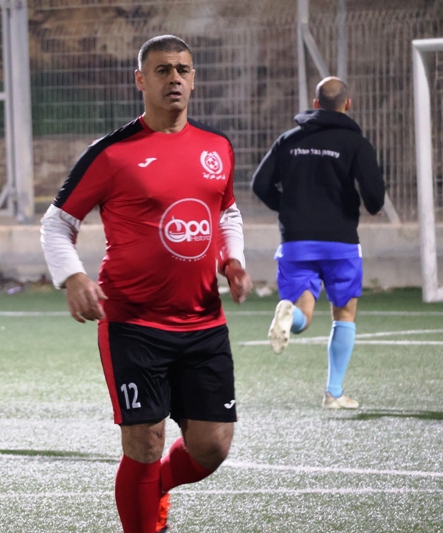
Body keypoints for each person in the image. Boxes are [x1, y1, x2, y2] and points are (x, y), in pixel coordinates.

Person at [41, 35, 253, 533]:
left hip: (204, 322)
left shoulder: (217, 147)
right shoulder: (111, 154)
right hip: (134, 323)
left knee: (213, 445)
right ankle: (143, 515)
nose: (174, 78)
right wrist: (72, 276)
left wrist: (234, 260)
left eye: (183, 69)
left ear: (193, 79)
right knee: (145, 441)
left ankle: (150, 488)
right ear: (140, 80)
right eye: (162, 70)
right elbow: (57, 223)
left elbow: (227, 212)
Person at [251, 76, 385, 409]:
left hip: (296, 243)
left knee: (303, 314)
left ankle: (289, 316)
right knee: (344, 314)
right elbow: (375, 199)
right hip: (340, 243)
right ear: (347, 104)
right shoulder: (355, 143)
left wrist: (289, 208)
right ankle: (334, 393)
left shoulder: (288, 140)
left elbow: (260, 184)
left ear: (315, 105)